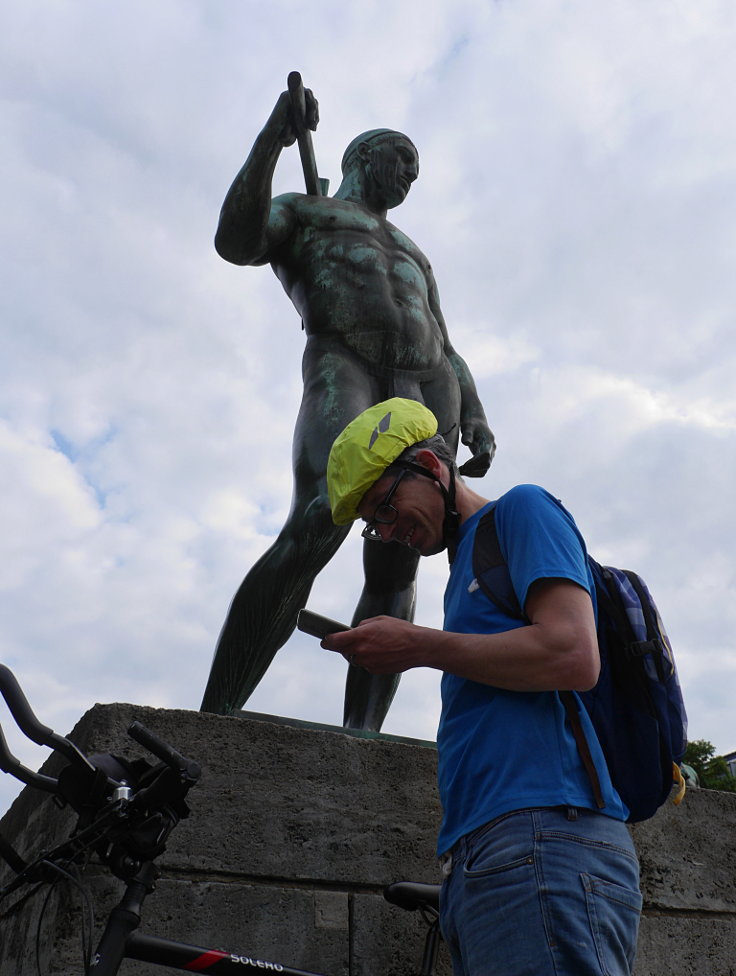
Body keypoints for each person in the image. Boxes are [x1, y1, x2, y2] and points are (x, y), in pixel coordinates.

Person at [200, 85, 494, 729]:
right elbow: (237, 241)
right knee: (315, 521)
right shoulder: (305, 212)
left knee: (400, 556)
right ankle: (218, 712)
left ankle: (362, 733)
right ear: (366, 156)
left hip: (426, 390)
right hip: (346, 367)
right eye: (404, 163)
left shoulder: (415, 251)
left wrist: (473, 407)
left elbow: (444, 340)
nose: (411, 179)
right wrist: (272, 141)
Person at [322, 397, 642, 976]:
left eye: (385, 506)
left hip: (545, 833)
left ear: (430, 463)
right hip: (484, 853)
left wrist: (418, 646)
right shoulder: (462, 567)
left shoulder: (520, 510)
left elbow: (573, 654)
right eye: (376, 524)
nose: (389, 532)